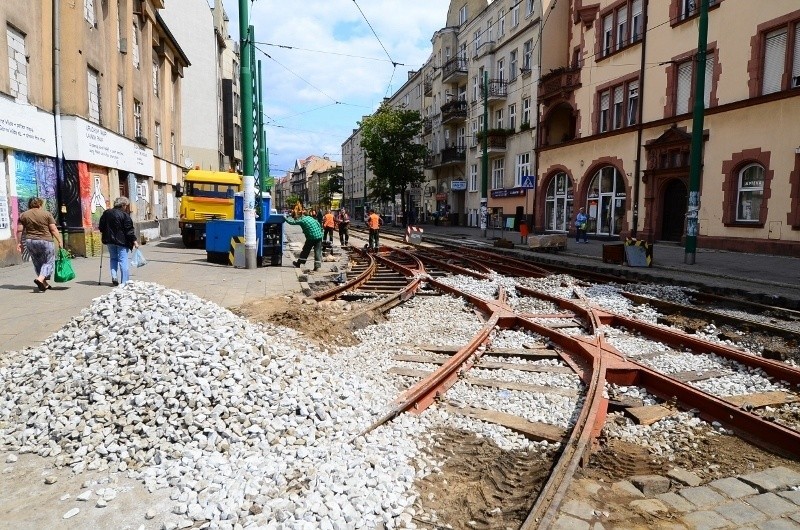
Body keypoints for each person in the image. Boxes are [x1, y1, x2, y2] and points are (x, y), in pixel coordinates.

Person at [15, 197, 64, 292]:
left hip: (30, 241)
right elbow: (53, 229)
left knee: (37, 262)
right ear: (40, 204)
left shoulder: (23, 215)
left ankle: (44, 284)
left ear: (29, 204)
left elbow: (20, 230)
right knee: (48, 262)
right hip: (45, 241)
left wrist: (19, 243)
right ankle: (40, 279)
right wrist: (59, 240)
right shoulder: (46, 214)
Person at [99, 196, 138, 285]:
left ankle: (114, 276)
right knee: (123, 260)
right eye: (126, 206)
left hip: (109, 240)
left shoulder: (106, 213)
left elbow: (101, 227)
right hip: (122, 242)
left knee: (113, 258)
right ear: (123, 205)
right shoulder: (125, 215)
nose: (126, 208)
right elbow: (129, 230)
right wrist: (134, 241)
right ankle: (124, 281)